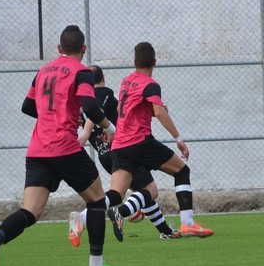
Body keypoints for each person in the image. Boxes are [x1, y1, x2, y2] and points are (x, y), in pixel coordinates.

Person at [0, 25, 121, 266]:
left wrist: (58, 115)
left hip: (38, 149)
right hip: (64, 147)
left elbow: (28, 106)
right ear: (83, 49)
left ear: (59, 48)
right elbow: (90, 106)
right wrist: (112, 129)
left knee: (31, 210)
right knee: (97, 201)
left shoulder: (42, 71)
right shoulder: (82, 72)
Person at [104, 41, 214, 241]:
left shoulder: (126, 81)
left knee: (120, 193)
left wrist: (154, 110)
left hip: (120, 144)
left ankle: (86, 217)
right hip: (139, 141)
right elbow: (160, 113)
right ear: (155, 62)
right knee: (182, 171)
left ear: (134, 62)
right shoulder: (151, 85)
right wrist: (178, 139)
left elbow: (126, 109)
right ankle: (188, 223)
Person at [67, 64, 182, 245]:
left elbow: (123, 112)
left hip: (107, 155)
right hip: (121, 150)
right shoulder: (103, 93)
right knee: (150, 191)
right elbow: (97, 113)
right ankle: (86, 216)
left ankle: (165, 231)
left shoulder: (83, 102)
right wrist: (86, 134)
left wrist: (152, 110)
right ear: (103, 78)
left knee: (142, 192)